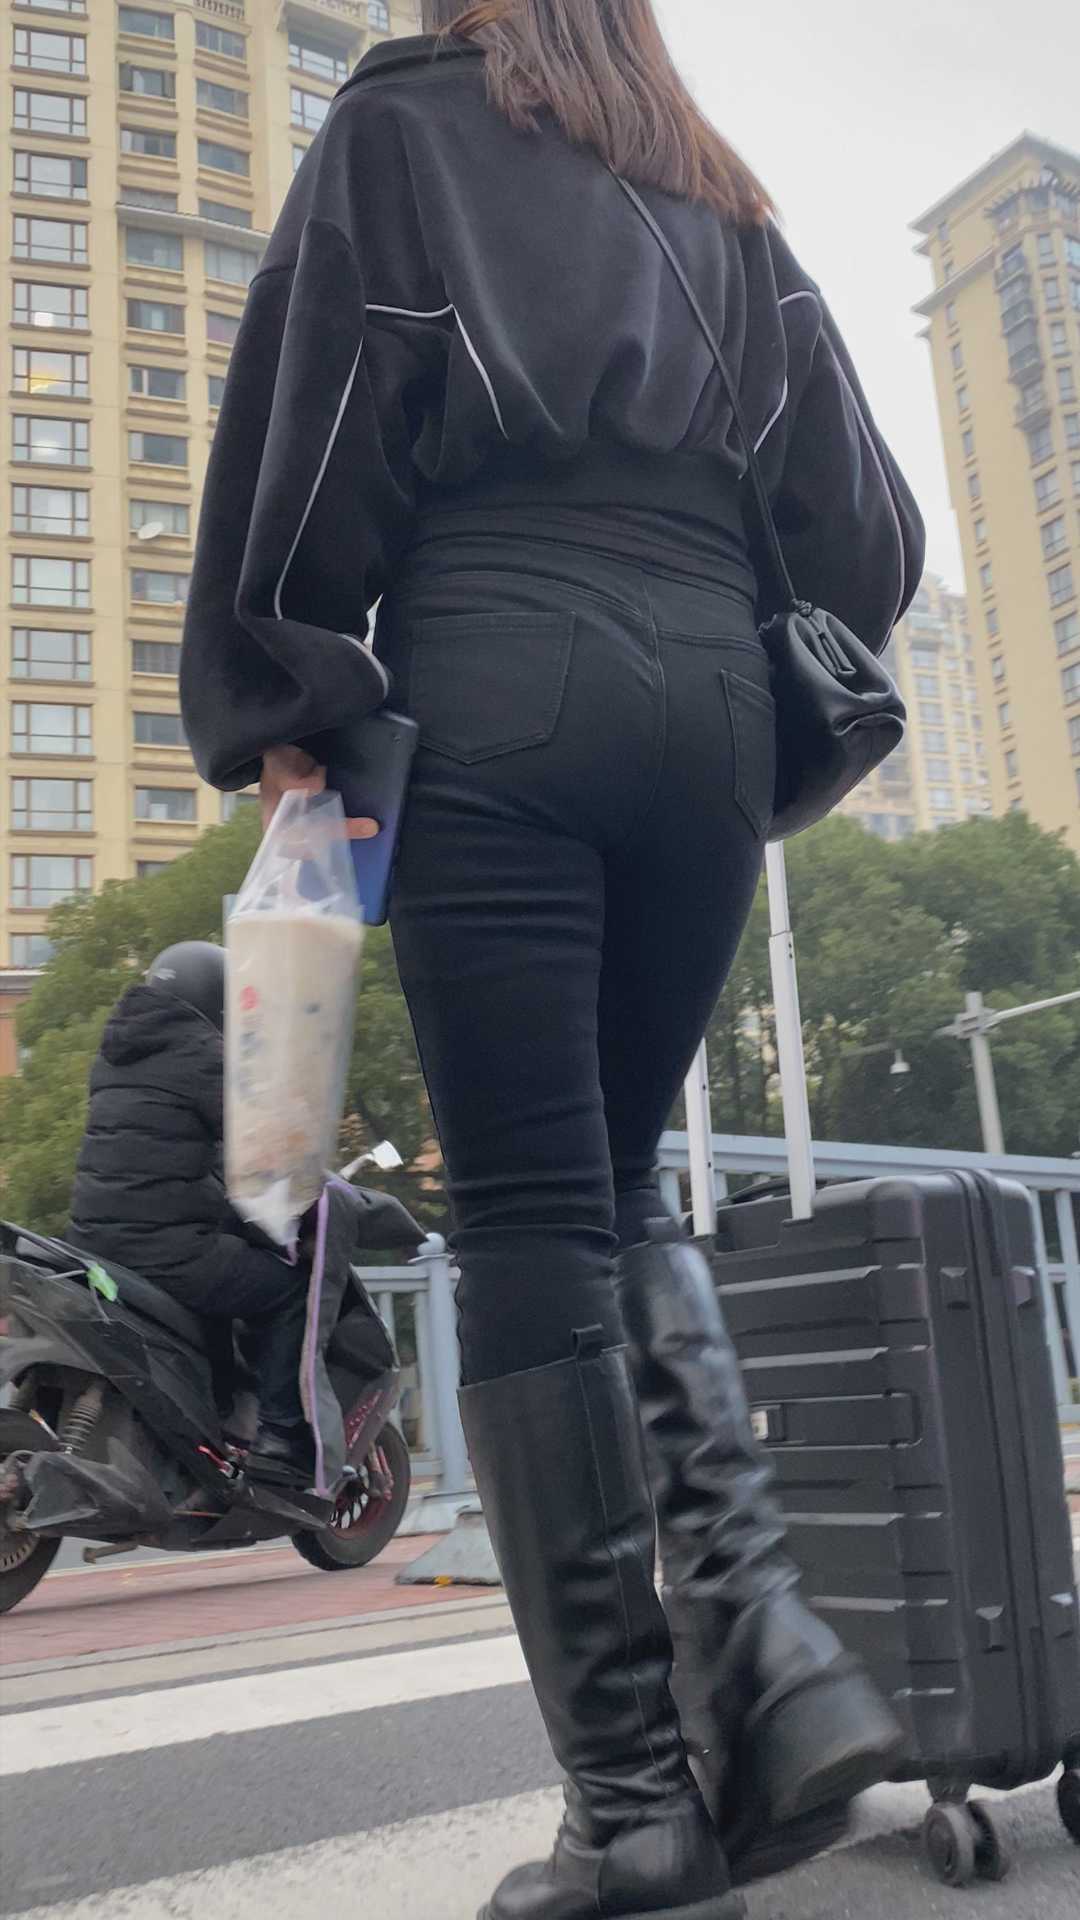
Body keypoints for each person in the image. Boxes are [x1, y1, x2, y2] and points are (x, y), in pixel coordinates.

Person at [180, 5, 925, 1915]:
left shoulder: (406, 128)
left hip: (501, 661)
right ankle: (772, 1657)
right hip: (713, 719)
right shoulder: (720, 192)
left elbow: (312, 434)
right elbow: (868, 526)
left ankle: (632, 1796)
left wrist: (287, 693)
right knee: (613, 1180)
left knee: (527, 1214)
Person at [69, 943, 313, 1479]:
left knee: (221, 1283)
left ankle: (214, 1420)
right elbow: (258, 1138)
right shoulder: (201, 1051)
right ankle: (280, 1436)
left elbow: (158, 1150)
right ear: (214, 1001)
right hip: (164, 1249)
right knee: (288, 1289)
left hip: (92, 1244)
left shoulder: (115, 1053)